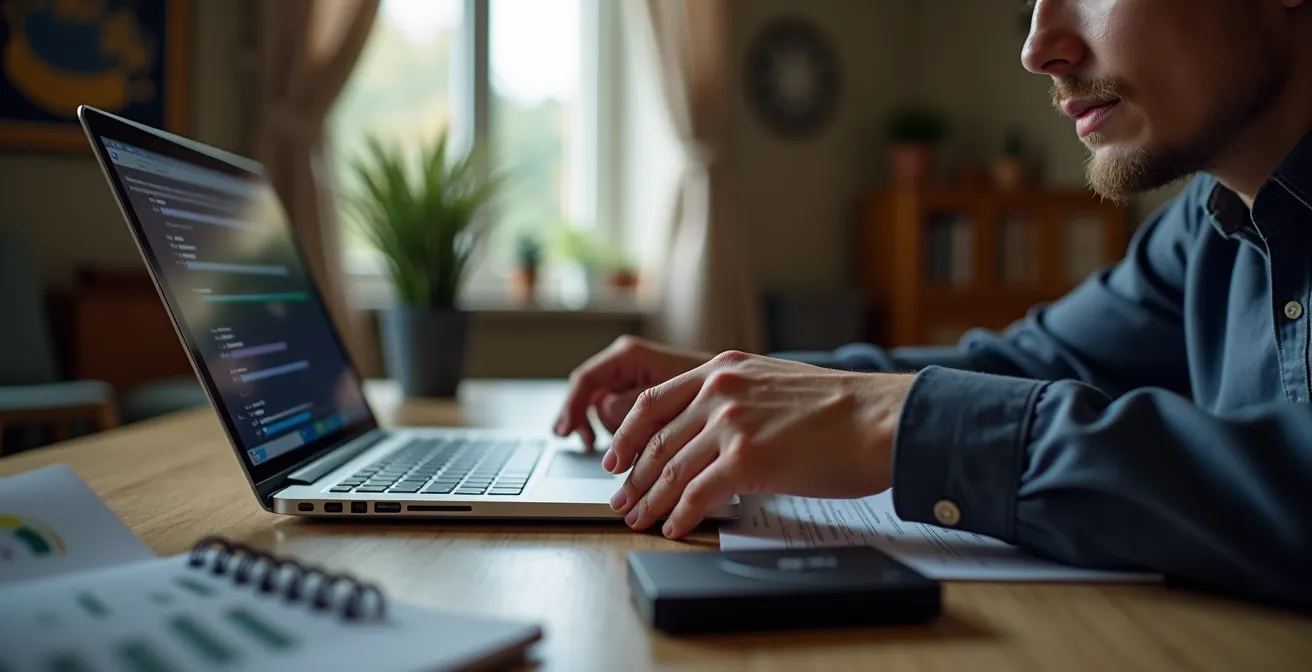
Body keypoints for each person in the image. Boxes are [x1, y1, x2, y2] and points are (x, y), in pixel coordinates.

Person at [553, 0, 1312, 610]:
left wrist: (896, 421)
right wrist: (744, 385)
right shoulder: (1204, 225)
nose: (1038, 45)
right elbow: (1023, 366)